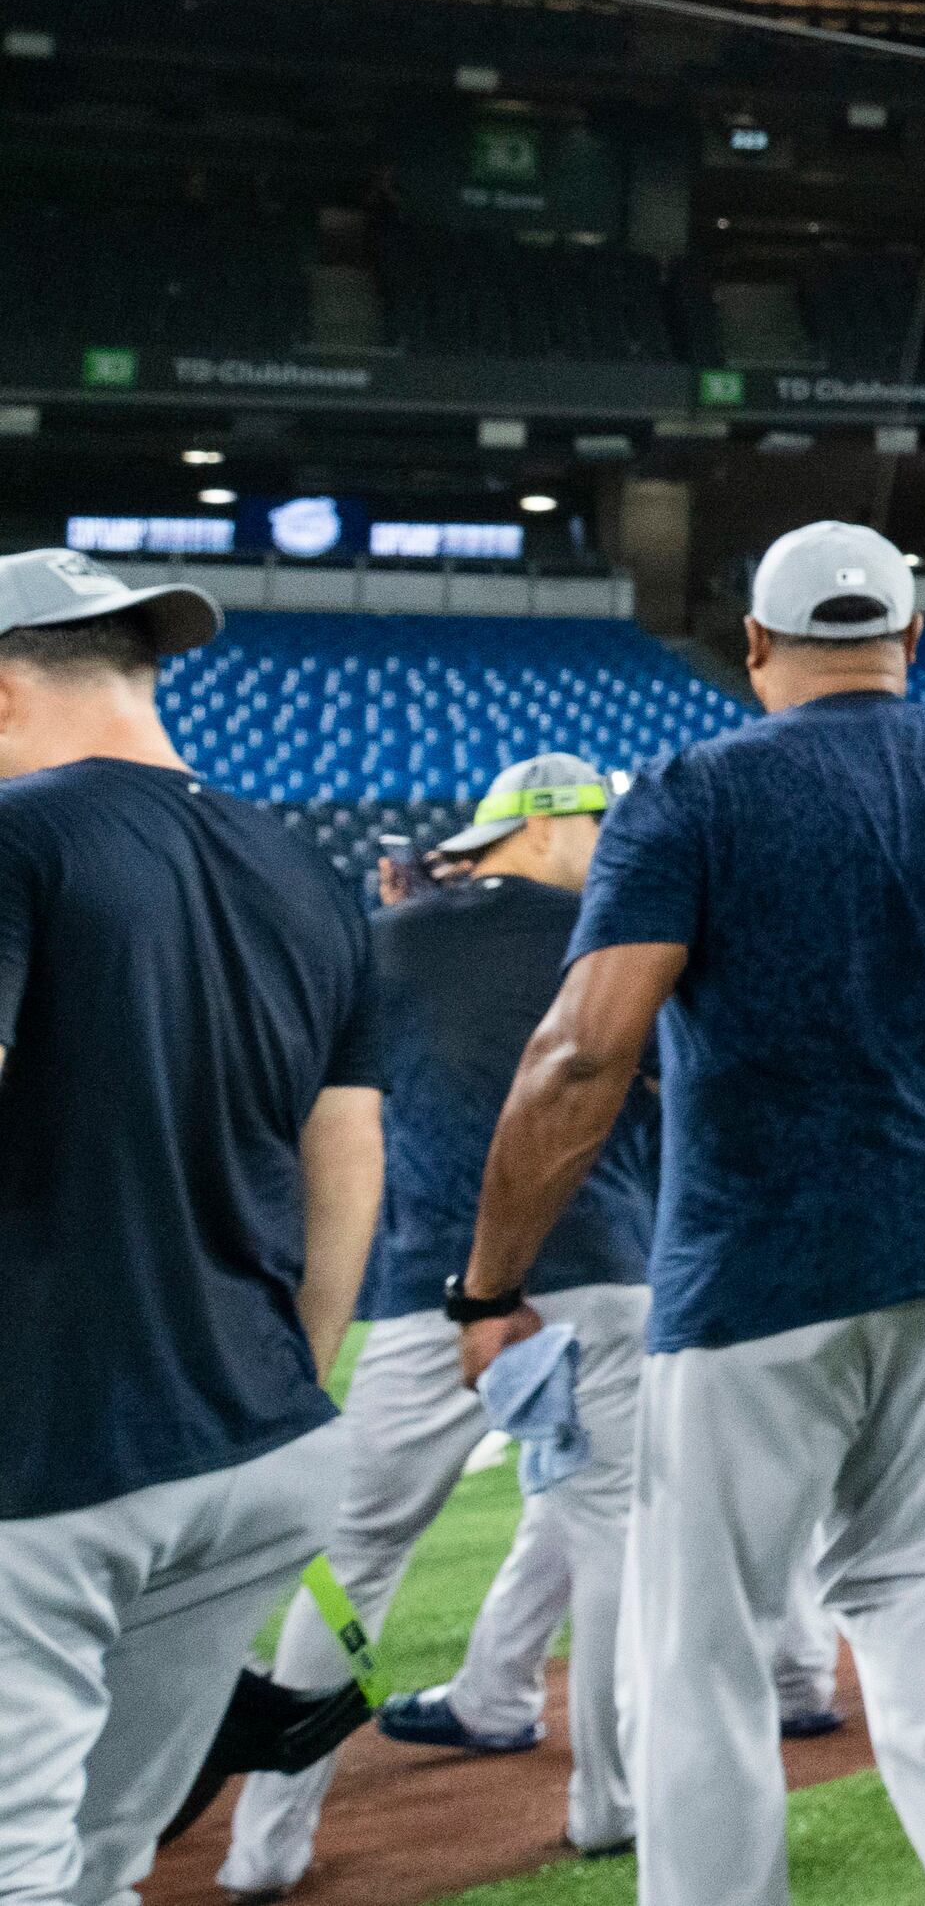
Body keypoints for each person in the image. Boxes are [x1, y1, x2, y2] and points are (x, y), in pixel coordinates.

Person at [453, 520, 925, 1906]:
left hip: (758, 1261)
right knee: (920, 1581)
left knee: (701, 1644)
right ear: (910, 637)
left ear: (756, 646)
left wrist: (486, 1286)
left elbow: (581, 1056)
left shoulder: (691, 791)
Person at [0, 549, 383, 1902]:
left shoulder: (18, 837)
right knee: (102, 1852)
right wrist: (293, 1365)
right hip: (261, 1447)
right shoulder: (303, 871)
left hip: (48, 1462)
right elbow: (349, 1157)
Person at [222, 753, 657, 1896]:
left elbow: (307, 1105)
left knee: (359, 1547)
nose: (608, 844)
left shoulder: (387, 937)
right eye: (594, 825)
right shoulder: (628, 942)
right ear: (542, 826)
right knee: (612, 1535)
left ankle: (266, 1846)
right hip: (609, 1266)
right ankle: (612, 1804)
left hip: (432, 1283)